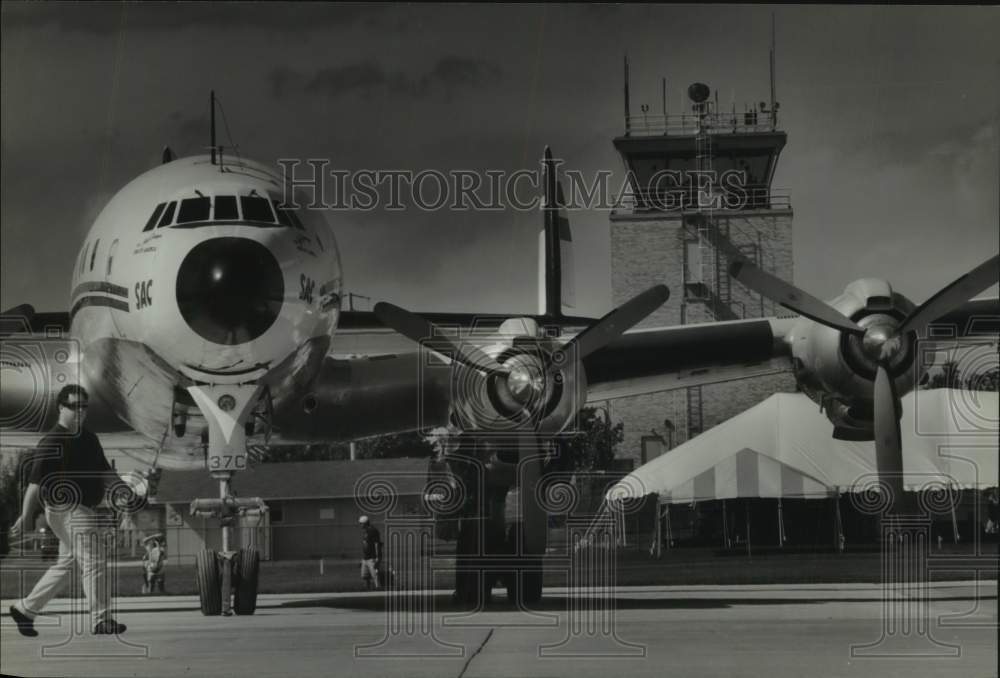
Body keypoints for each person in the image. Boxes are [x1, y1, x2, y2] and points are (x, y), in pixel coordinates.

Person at [7, 384, 127, 636]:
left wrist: (124, 490)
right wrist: (26, 515)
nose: (81, 411)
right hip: (67, 509)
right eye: (75, 406)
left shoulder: (89, 438)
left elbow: (106, 472)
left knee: (68, 565)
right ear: (61, 407)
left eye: (84, 406)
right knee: (94, 559)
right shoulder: (52, 441)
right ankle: (101, 618)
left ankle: (26, 608)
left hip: (83, 509)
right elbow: (35, 484)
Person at [359, 515, 382, 590]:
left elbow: (376, 544)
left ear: (365, 523)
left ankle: (378, 588)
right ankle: (367, 589)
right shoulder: (365, 531)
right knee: (364, 575)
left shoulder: (373, 531)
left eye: (361, 523)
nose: (360, 525)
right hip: (365, 557)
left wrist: (377, 556)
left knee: (374, 575)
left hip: (372, 557)